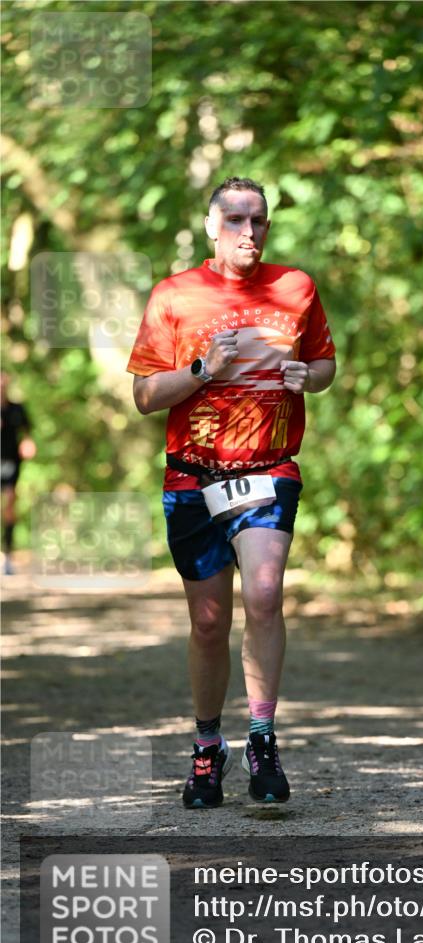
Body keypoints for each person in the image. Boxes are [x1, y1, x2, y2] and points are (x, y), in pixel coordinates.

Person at [127, 176, 336, 808]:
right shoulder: (175, 296)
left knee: (266, 594)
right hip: (193, 476)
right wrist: (200, 371)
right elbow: (142, 397)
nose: (251, 231)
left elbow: (326, 364)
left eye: (261, 221)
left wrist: (309, 376)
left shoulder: (295, 288)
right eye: (238, 220)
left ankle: (262, 739)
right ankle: (206, 748)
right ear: (213, 226)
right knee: (210, 621)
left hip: (270, 470)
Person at [1, 372, 36, 574]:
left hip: (11, 462)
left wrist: (28, 442)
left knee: (10, 504)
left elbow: (27, 430)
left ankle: (7, 556)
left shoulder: (16, 409)